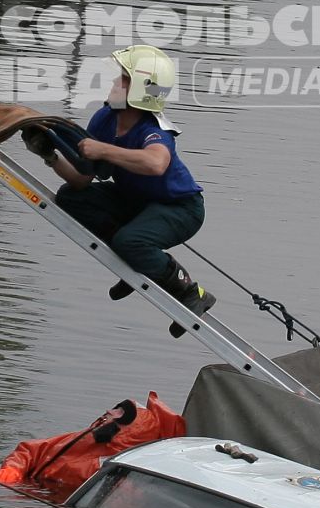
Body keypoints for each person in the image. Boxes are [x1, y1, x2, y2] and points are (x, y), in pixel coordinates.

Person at [26, 45, 213, 332]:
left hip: (180, 210)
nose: (114, 83)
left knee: (130, 241)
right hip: (136, 203)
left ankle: (191, 291)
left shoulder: (153, 129)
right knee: (71, 198)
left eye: (123, 79)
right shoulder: (104, 119)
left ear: (140, 90)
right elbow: (82, 179)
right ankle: (136, 257)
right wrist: (49, 155)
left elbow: (156, 164)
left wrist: (103, 149)